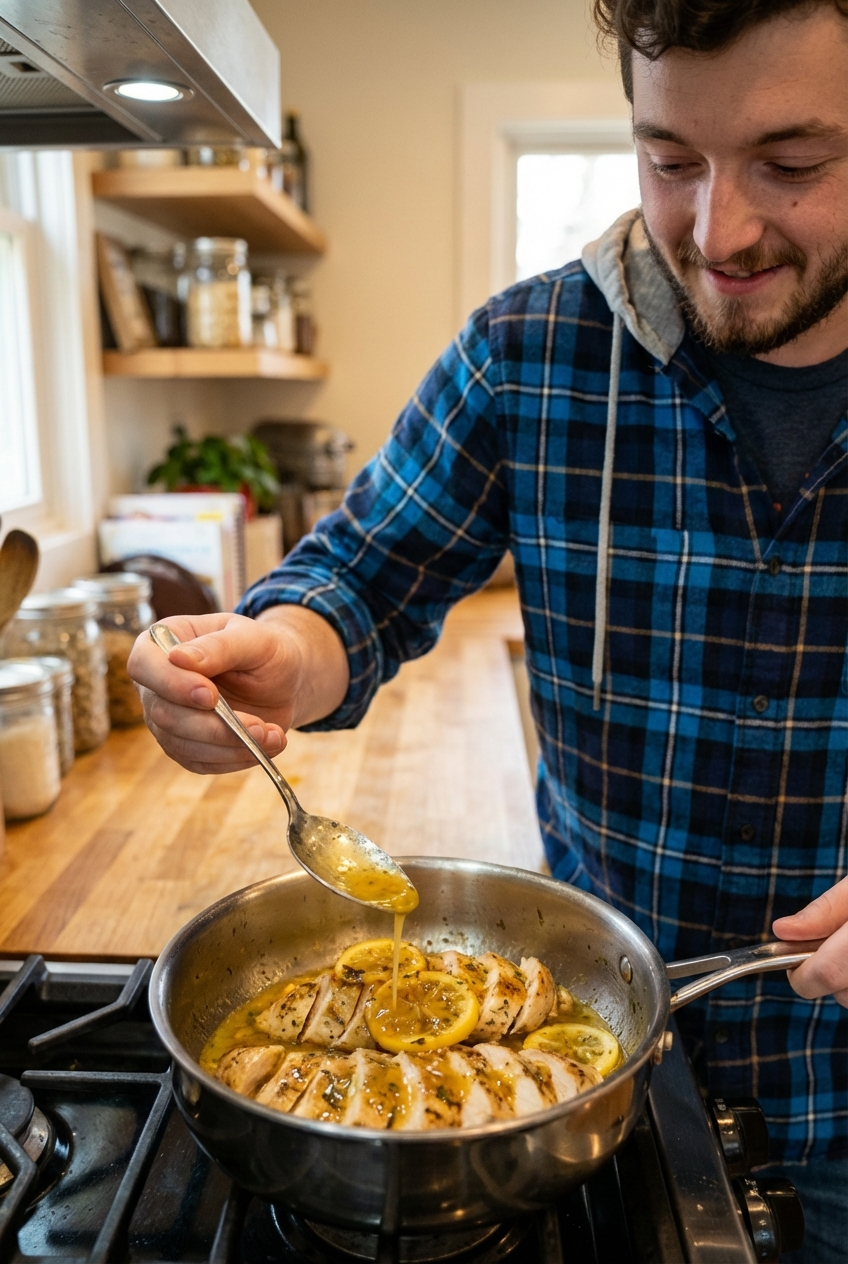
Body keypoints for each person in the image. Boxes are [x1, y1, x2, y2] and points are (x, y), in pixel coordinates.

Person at [129, 1, 847, 1257]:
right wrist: (278, 654)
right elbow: (363, 576)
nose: (715, 228)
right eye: (668, 158)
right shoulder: (529, 353)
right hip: (574, 1087)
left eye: (789, 164)